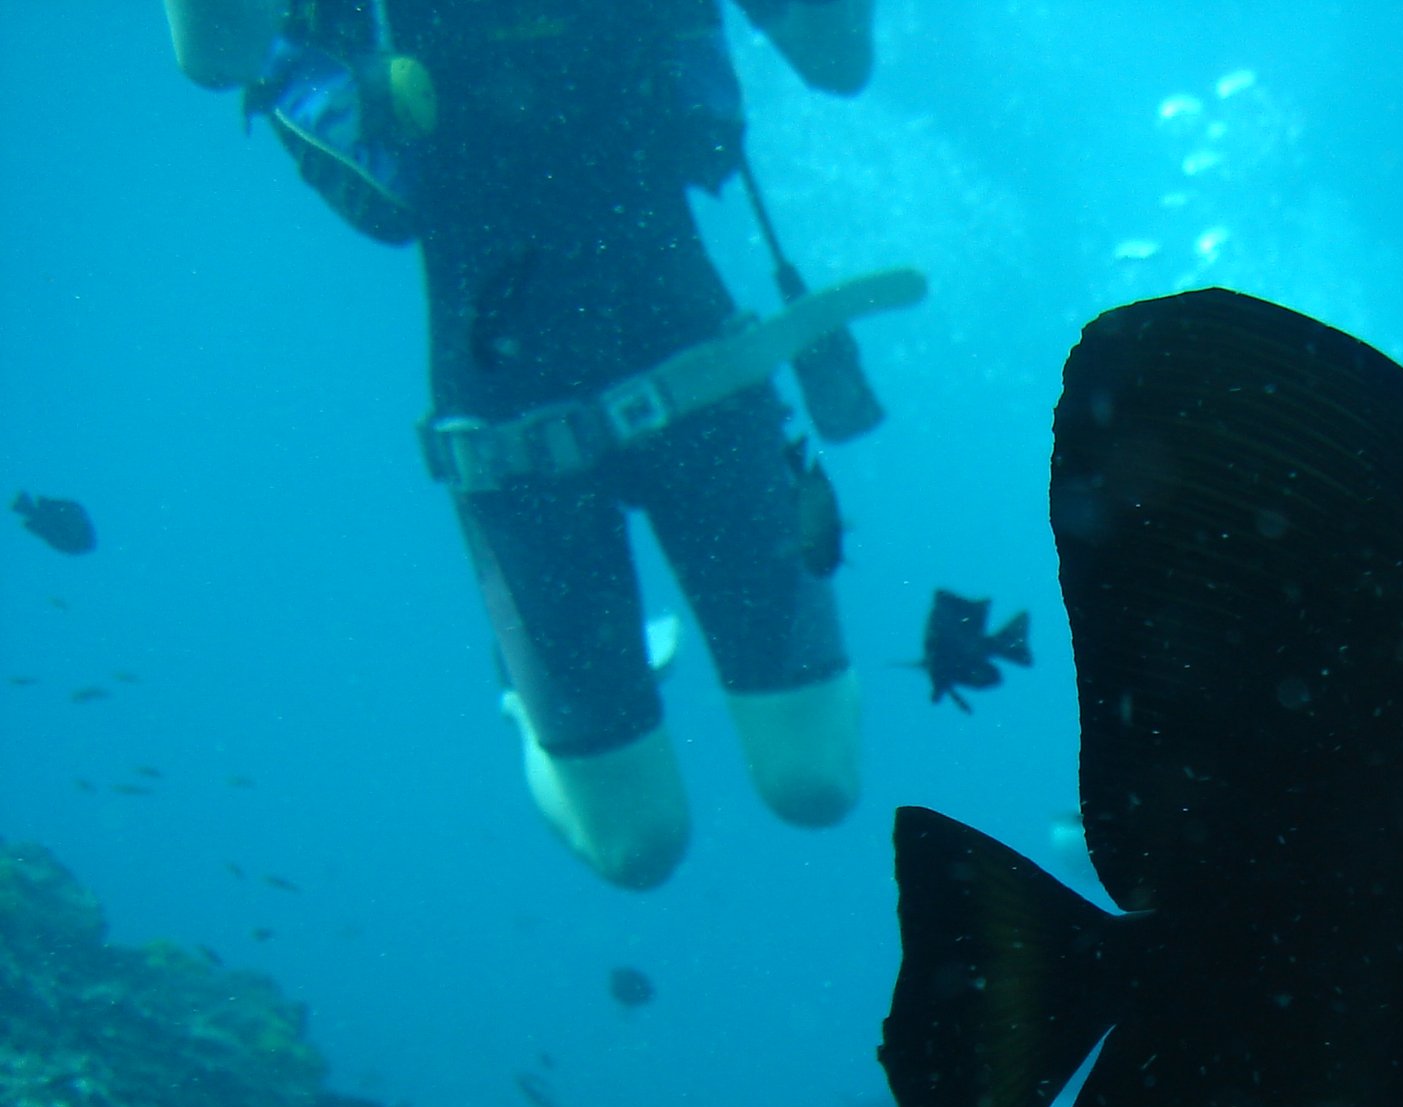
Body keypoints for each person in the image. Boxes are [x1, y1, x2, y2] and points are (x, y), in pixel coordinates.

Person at [166, 0, 886, 888]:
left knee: (816, 783)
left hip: (705, 375)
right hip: (506, 433)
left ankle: (566, 685)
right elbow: (212, 54)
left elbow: (840, 65)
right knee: (637, 845)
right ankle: (524, 697)